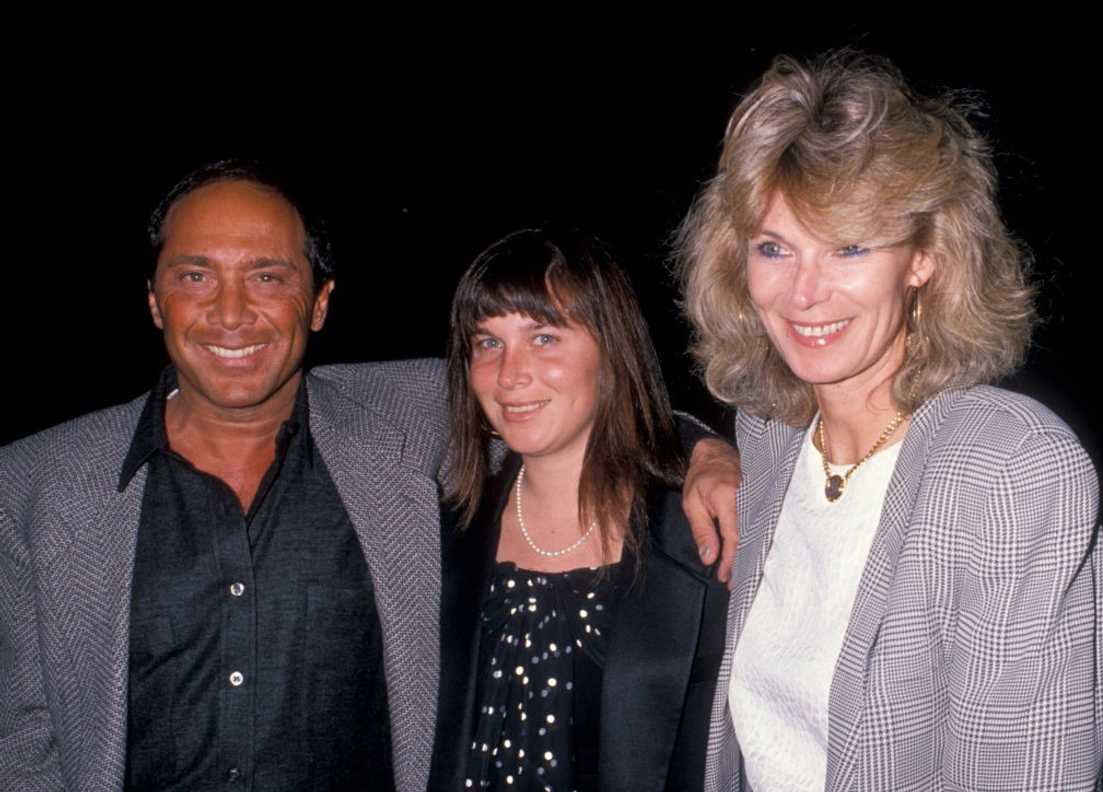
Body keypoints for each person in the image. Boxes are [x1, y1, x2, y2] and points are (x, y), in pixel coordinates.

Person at [0, 162, 738, 792]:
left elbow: (572, 402)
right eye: (196, 276)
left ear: (318, 303)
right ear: (155, 298)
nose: (231, 313)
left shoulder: (408, 423)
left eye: (267, 276)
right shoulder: (34, 485)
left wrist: (702, 451)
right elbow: (21, 740)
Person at [676, 52, 1103, 791]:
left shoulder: (1012, 471)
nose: (804, 293)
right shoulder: (772, 432)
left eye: (849, 246)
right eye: (775, 248)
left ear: (924, 259)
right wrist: (697, 445)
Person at [430, 228, 729, 792]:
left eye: (544, 338)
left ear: (611, 349)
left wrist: (708, 447)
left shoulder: (702, 536)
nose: (510, 374)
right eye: (487, 343)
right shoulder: (439, 534)